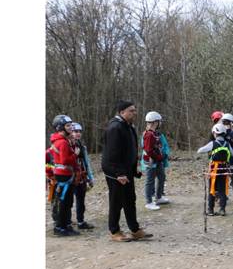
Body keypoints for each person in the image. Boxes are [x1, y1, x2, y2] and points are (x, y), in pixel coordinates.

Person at [102, 100, 152, 242]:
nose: (134, 113)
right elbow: (112, 153)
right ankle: (114, 231)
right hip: (115, 172)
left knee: (130, 200)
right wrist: (119, 173)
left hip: (126, 170)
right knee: (116, 201)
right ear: (122, 112)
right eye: (131, 110)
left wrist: (134, 169)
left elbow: (131, 149)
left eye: (135, 110)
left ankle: (135, 230)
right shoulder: (115, 128)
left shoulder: (128, 126)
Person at [49, 115, 80, 236]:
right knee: (64, 202)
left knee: (68, 201)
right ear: (60, 128)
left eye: (71, 125)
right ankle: (60, 227)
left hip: (66, 175)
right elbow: (64, 160)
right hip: (63, 176)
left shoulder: (64, 140)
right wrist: (75, 155)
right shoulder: (62, 142)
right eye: (68, 126)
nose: (71, 128)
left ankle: (66, 225)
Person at [197, 123, 233, 216]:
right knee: (222, 190)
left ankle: (210, 210)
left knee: (212, 189)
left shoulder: (213, 143)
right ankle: (222, 209)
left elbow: (200, 150)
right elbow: (232, 153)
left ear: (215, 133)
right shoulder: (227, 144)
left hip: (214, 169)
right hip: (224, 168)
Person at [70, 123, 95, 230]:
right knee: (68, 201)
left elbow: (86, 162)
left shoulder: (81, 146)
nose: (78, 134)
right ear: (70, 132)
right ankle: (66, 222)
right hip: (69, 178)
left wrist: (90, 177)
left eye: (80, 132)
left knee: (81, 200)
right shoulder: (66, 145)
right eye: (76, 131)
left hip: (81, 177)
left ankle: (80, 221)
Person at [142, 111, 167, 211]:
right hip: (151, 162)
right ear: (155, 122)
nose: (160, 123)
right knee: (150, 181)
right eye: (159, 121)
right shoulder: (148, 135)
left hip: (157, 161)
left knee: (162, 177)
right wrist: (159, 157)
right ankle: (149, 202)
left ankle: (159, 197)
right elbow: (148, 150)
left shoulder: (155, 134)